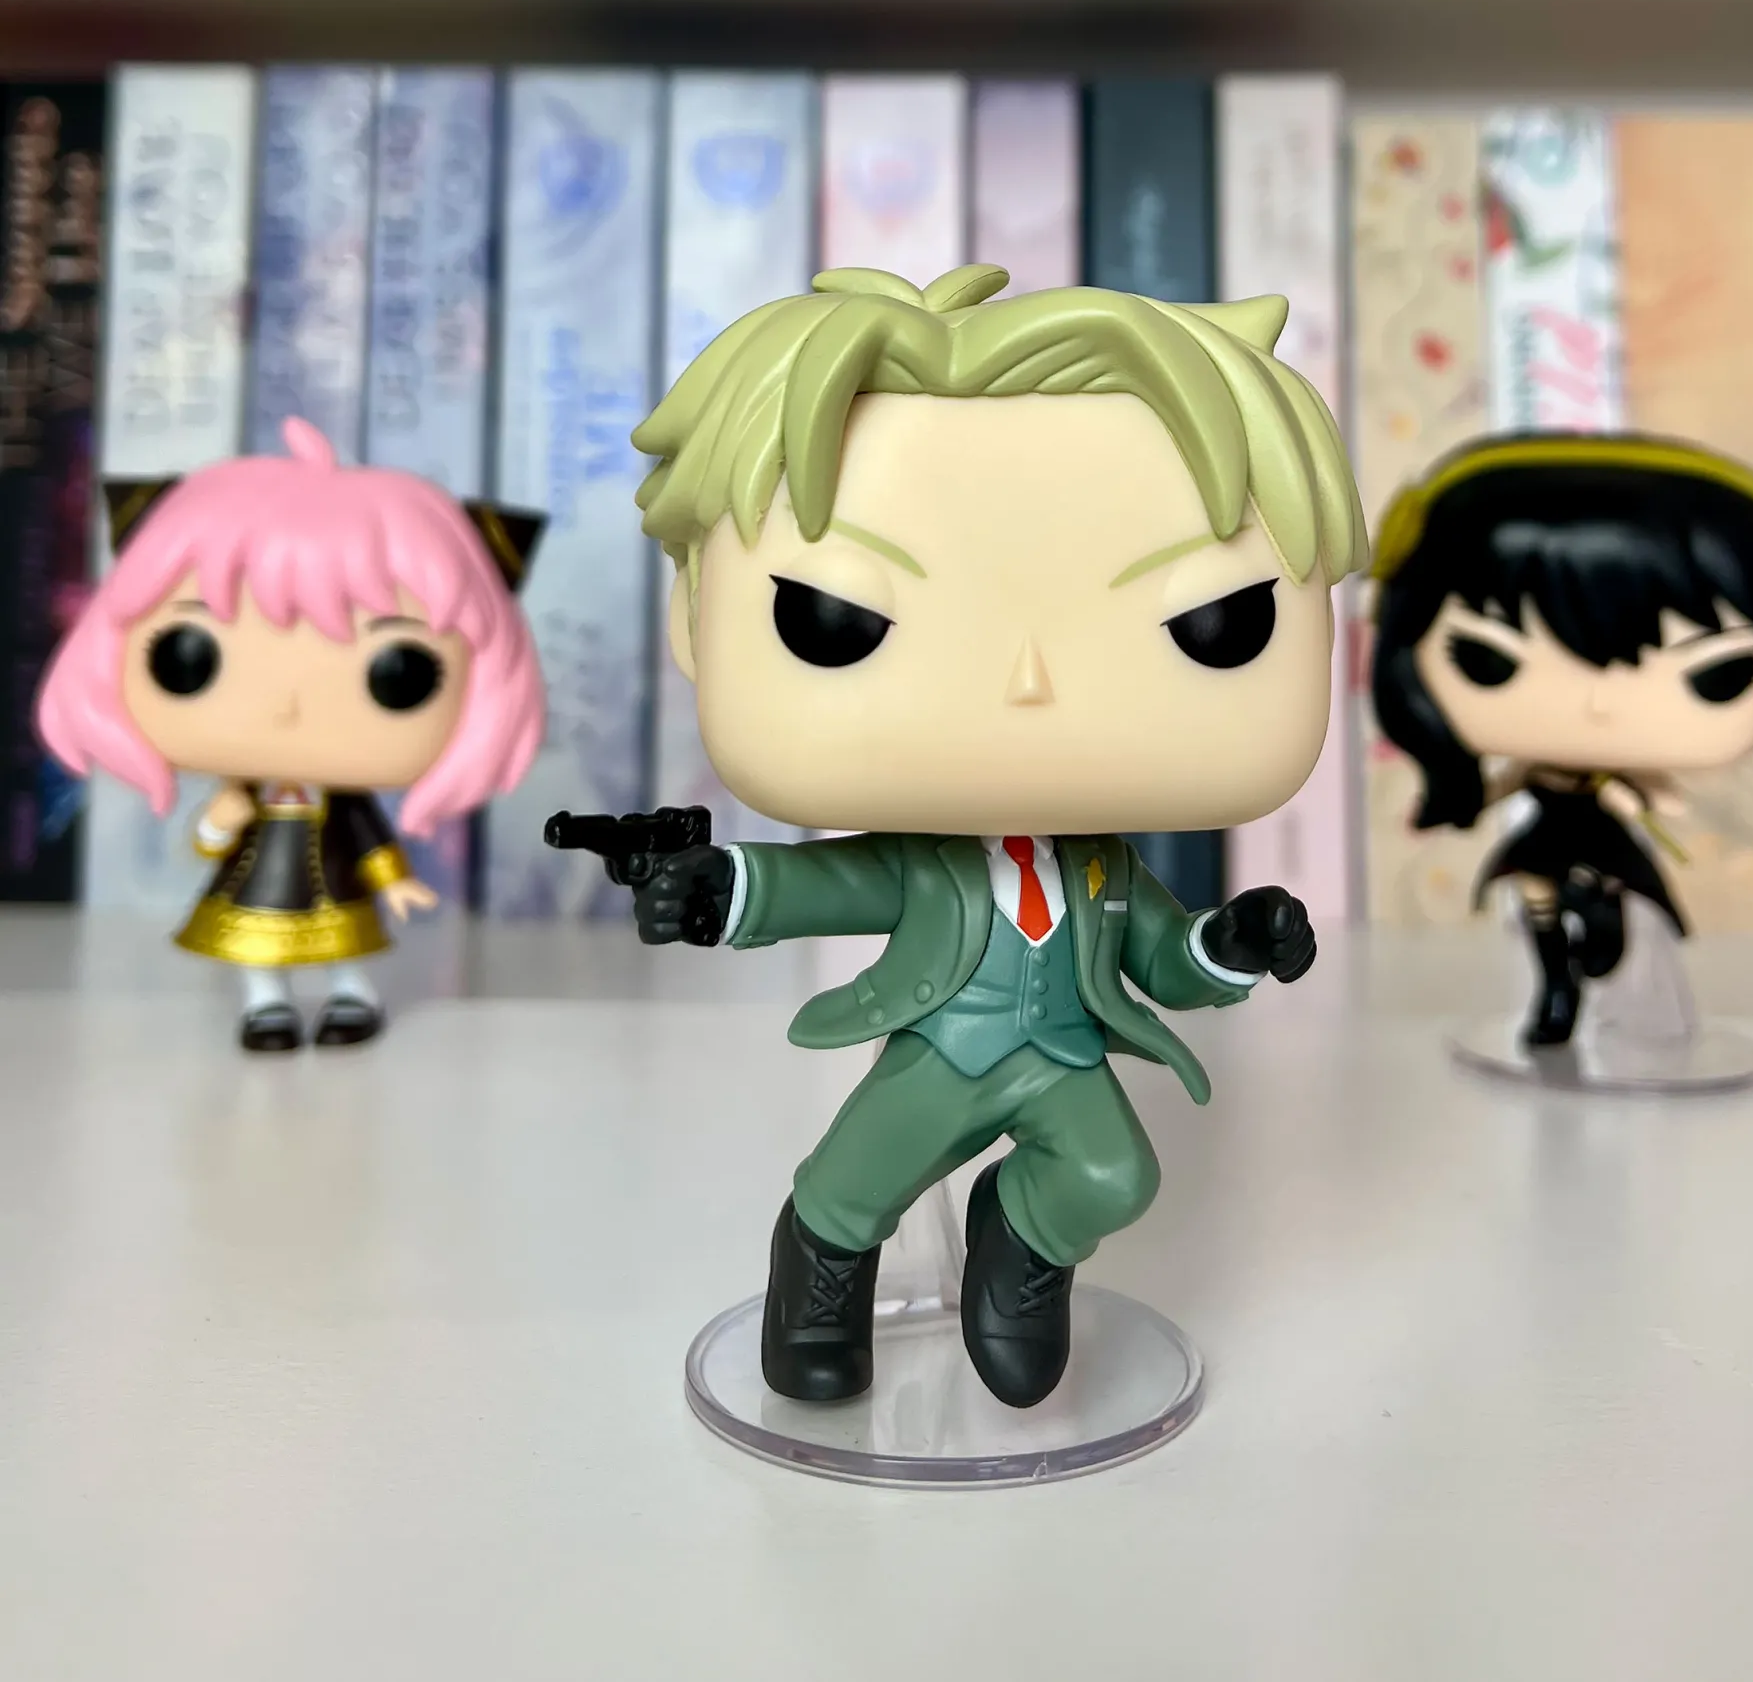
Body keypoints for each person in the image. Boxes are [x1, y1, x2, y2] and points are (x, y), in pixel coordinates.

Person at [620, 261, 1365, 1408]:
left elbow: (1165, 958)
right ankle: (815, 1278)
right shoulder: (927, 856)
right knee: (851, 1185)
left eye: (1216, 622)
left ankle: (1020, 1237)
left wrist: (1234, 940)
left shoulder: (1106, 867)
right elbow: (835, 882)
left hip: (1062, 1058)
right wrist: (721, 888)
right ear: (693, 614)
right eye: (834, 620)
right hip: (941, 1049)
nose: (1029, 685)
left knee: (1117, 1171)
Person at [1369, 432, 1753, 1046]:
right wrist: (1472, 798)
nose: (1597, 706)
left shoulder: (1612, 788)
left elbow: (1648, 798)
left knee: (1612, 900)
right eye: (1487, 660)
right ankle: (1556, 984)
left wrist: (1638, 798)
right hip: (1547, 835)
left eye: (1716, 677)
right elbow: (1508, 784)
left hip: (1601, 840)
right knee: (1534, 894)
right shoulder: (1539, 774)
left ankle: (1597, 945)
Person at [37, 418, 545, 1051]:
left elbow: (367, 835)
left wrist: (394, 880)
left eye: (398, 674)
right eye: (189, 657)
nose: (287, 707)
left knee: (344, 949)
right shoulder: (246, 791)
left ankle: (352, 996)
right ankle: (265, 1004)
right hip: (253, 885)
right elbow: (205, 843)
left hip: (335, 890)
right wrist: (218, 824)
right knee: (257, 953)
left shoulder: (342, 801)